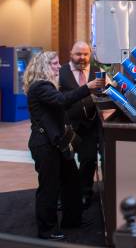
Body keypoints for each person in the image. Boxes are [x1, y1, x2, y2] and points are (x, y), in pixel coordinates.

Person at [24, 51, 103, 240]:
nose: (60, 67)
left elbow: (62, 105)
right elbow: (62, 101)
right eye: (55, 64)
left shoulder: (47, 87)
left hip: (55, 144)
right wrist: (88, 88)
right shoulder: (40, 86)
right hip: (45, 145)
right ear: (43, 66)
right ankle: (47, 230)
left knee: (71, 182)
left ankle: (72, 220)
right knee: (49, 188)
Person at [59, 41, 102, 209]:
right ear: (71, 54)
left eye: (85, 54)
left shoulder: (98, 72)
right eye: (78, 54)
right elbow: (59, 98)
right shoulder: (61, 72)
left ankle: (85, 193)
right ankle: (65, 195)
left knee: (88, 161)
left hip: (89, 127)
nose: (82, 58)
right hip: (67, 127)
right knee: (64, 162)